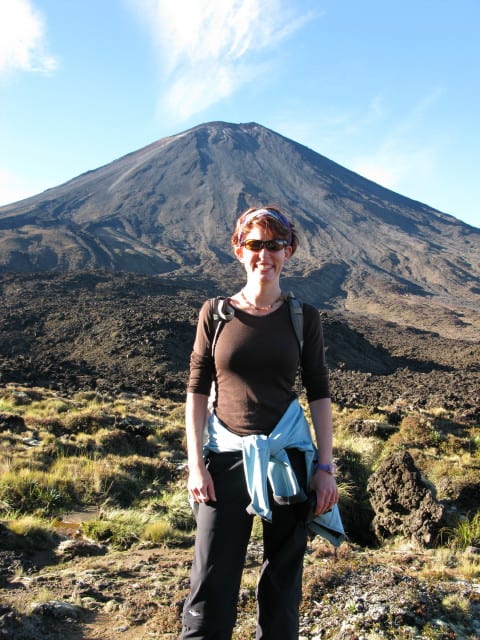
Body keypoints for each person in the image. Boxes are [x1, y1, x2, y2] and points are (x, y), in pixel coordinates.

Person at [181, 206, 338, 640]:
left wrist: (325, 469)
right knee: (210, 582)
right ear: (238, 249)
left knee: (283, 587)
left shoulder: (303, 317)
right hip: (224, 461)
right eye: (254, 244)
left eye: (274, 245)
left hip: (287, 461)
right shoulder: (215, 314)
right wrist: (196, 465)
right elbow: (196, 391)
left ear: (288, 251)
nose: (264, 254)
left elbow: (319, 392)